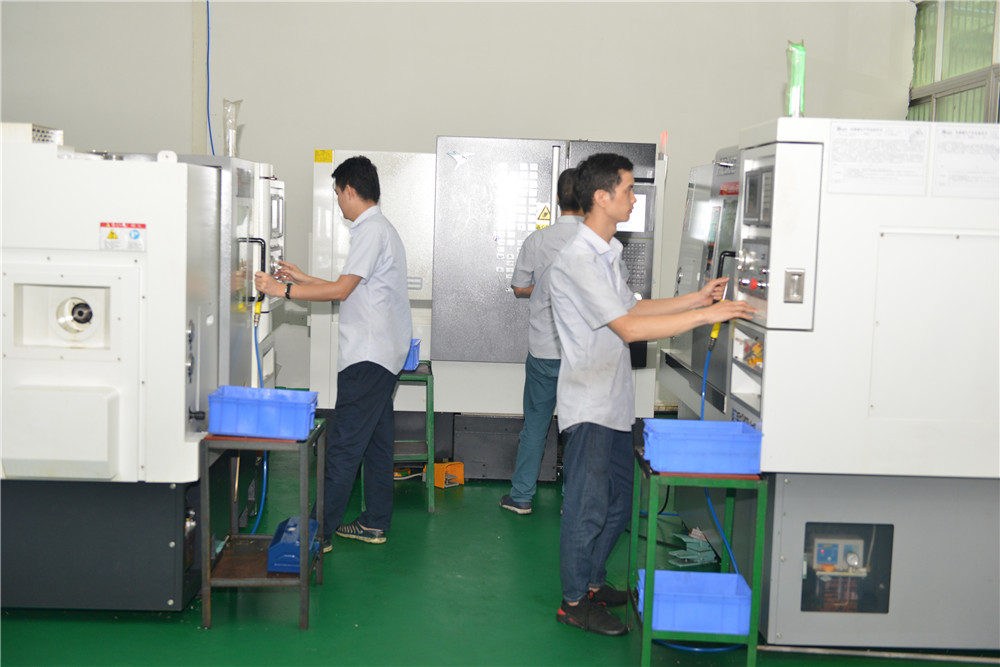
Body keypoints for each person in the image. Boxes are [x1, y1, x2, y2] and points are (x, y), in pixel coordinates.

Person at [548, 153, 755, 636]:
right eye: (627, 190)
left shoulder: (606, 253)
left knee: (619, 503)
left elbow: (634, 308)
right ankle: (574, 601)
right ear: (602, 197)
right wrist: (707, 317)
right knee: (587, 508)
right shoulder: (579, 259)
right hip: (590, 403)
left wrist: (697, 299)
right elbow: (628, 327)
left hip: (613, 402)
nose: (633, 199)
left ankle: (592, 582)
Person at [254, 155, 412, 552]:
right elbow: (354, 286)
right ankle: (374, 522)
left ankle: (318, 533)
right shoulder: (382, 229)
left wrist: (282, 290)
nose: (338, 200)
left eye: (338, 192)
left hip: (367, 357)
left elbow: (342, 290)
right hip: (385, 355)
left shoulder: (370, 231)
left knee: (343, 446)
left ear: (350, 190)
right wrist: (303, 278)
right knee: (377, 444)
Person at [500, 168, 583, 515]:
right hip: (582, 354)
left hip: (544, 351)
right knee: (578, 429)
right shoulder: (599, 242)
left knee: (535, 426)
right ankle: (574, 502)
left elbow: (519, 287)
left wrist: (544, 287)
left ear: (558, 199)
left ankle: (521, 496)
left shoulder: (537, 241)